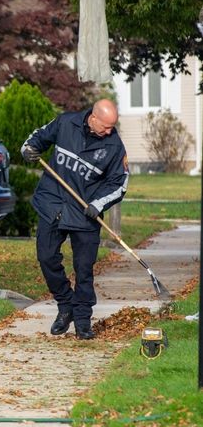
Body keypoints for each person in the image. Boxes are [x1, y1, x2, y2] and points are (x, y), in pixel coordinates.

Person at [21, 99, 129, 340]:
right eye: (106, 126)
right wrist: (29, 148)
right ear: (92, 117)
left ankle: (82, 320)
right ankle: (65, 304)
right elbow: (39, 137)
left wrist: (98, 204)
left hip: (85, 212)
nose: (110, 131)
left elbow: (120, 184)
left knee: (84, 269)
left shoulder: (114, 146)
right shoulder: (65, 122)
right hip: (53, 203)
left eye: (113, 126)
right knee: (46, 257)